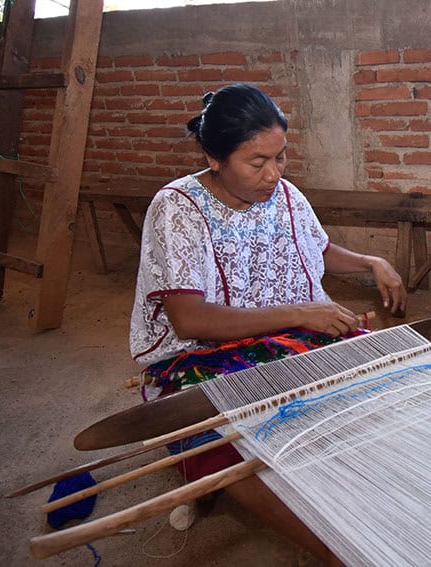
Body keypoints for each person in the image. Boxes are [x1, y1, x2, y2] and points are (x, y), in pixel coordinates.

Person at [129, 83, 406, 561]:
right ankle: (341, 548)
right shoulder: (177, 209)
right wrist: (302, 312)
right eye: (257, 163)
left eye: (280, 157)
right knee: (230, 436)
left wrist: (369, 260)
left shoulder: (283, 193)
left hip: (285, 336)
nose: (273, 174)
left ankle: (389, 489)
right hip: (200, 355)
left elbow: (315, 249)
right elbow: (190, 318)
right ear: (214, 158)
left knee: (382, 373)